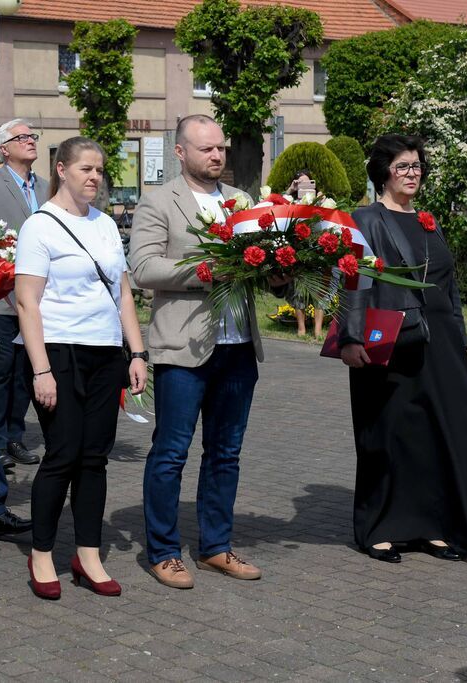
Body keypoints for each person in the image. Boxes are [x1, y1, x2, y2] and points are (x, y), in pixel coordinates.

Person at [338, 134, 467, 562]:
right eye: (403, 166)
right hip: (388, 341)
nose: (412, 173)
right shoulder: (365, 219)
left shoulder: (427, 220)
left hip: (440, 344)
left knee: (433, 434)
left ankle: (430, 526)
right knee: (388, 432)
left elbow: (448, 284)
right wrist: (350, 338)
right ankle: (378, 528)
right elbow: (353, 279)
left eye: (416, 166)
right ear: (383, 172)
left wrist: (460, 336)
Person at [130, 114, 277, 589]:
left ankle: (215, 545)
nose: (216, 156)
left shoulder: (242, 202)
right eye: (206, 149)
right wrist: (206, 270)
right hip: (183, 349)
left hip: (237, 346)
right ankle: (164, 551)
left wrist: (280, 267)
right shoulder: (158, 201)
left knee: (226, 453)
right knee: (171, 452)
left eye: (221, 148)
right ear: (181, 152)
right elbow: (145, 268)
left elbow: (263, 263)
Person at [15, 136, 148, 600]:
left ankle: (87, 553)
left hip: (105, 353)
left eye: (100, 170)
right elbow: (27, 302)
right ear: (62, 169)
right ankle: (43, 554)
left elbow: (123, 293)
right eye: (86, 169)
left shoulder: (107, 225)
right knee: (62, 455)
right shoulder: (40, 226)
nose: (95, 178)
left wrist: (136, 352)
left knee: (95, 458)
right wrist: (41, 370)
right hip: (59, 352)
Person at [0, 118, 46, 469]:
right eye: (22, 137)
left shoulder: (48, 187)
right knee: (0, 372)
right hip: (2, 298)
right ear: (4, 148)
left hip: (40, 299)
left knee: (25, 372)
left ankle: (15, 436)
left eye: (33, 136)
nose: (31, 141)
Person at [285, 170, 326, 339]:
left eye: (308, 182)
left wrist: (321, 200)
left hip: (317, 249)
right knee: (299, 290)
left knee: (319, 291)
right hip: (298, 249)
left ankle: (317, 329)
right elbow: (277, 206)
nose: (304, 186)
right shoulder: (291, 201)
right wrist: (289, 190)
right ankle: (301, 328)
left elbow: (331, 217)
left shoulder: (320, 201)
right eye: (300, 182)